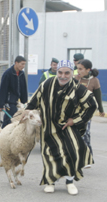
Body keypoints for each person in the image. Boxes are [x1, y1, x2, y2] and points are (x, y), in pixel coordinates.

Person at [24, 60, 97, 195]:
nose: (63, 76)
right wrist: (25, 112)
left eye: (67, 73)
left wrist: (75, 120)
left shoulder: (78, 88)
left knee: (72, 152)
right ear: (56, 72)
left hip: (67, 128)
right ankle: (50, 182)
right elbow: (34, 101)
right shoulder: (47, 84)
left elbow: (92, 106)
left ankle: (70, 182)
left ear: (71, 73)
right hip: (48, 128)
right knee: (50, 155)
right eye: (60, 72)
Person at [75, 59, 105, 166]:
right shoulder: (75, 79)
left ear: (88, 70)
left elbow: (98, 96)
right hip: (75, 112)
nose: (78, 71)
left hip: (87, 111)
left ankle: (87, 158)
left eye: (80, 69)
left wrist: (101, 109)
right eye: (77, 68)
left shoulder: (94, 81)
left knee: (85, 133)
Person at [0, 56, 28, 128]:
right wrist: (0, 105)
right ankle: (3, 133)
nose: (23, 66)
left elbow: (23, 88)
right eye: (22, 64)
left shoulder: (21, 74)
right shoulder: (8, 74)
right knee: (10, 117)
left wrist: (24, 102)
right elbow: (3, 89)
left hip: (16, 100)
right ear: (16, 63)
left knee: (13, 118)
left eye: (24, 64)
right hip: (9, 101)